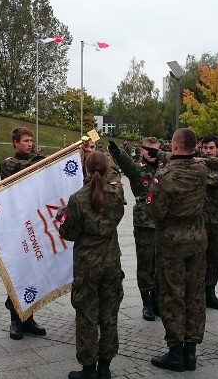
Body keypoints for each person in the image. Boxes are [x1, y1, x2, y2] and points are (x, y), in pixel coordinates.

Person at [59, 151, 125, 379]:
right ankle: (105, 367)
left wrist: (63, 217)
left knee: (87, 316)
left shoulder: (78, 198)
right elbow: (116, 217)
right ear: (108, 170)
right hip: (111, 262)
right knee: (109, 314)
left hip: (87, 265)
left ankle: (88, 369)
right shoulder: (117, 192)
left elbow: (69, 233)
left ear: (86, 169)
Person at [145, 128, 207, 372]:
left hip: (172, 241)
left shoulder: (166, 175)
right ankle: (191, 351)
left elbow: (154, 211)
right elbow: (183, 159)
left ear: (175, 145)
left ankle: (175, 352)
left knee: (172, 294)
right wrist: (159, 153)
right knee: (195, 293)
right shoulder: (201, 169)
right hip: (198, 238)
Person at [0, 127, 48, 340]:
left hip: (33, 221)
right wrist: (42, 157)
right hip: (16, 225)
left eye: (31, 140)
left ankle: (29, 317)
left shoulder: (36, 158)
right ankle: (15, 319)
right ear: (15, 143)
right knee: (18, 272)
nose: (30, 144)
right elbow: (27, 168)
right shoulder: (9, 163)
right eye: (26, 141)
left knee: (32, 270)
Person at [109, 136, 162, 321]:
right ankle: (146, 302)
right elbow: (127, 165)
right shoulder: (139, 170)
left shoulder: (166, 169)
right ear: (142, 150)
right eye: (148, 150)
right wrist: (117, 152)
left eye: (155, 150)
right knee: (146, 262)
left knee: (160, 263)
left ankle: (157, 300)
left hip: (163, 222)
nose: (152, 154)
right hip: (144, 222)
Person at [198, 135, 218, 311]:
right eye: (205, 148)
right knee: (198, 258)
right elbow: (207, 181)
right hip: (200, 220)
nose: (208, 151)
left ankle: (210, 293)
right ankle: (196, 294)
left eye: (211, 148)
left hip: (216, 220)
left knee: (213, 257)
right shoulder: (198, 164)